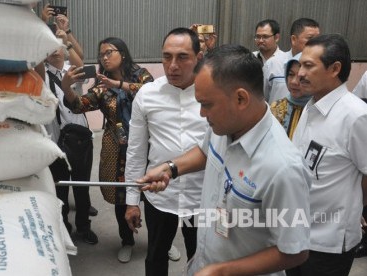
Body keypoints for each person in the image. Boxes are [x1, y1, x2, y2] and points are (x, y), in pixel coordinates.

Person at [137, 44, 311, 276]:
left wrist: (222, 271)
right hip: (204, 262)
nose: (201, 113)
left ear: (241, 98)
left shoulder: (282, 168)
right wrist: (171, 168)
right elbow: (204, 151)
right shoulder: (224, 125)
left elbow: (295, 251)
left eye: (206, 104)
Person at [60, 37, 155, 262]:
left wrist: (119, 85)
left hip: (149, 147)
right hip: (116, 150)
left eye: (108, 52)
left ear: (122, 53)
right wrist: (66, 87)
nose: (104, 57)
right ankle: (127, 241)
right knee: (122, 198)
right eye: (101, 54)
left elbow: (150, 92)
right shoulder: (101, 87)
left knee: (153, 198)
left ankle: (162, 241)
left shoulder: (140, 75)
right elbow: (79, 105)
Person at [124, 27, 208, 276]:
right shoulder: (147, 95)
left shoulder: (212, 94)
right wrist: (132, 201)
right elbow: (136, 151)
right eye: (166, 57)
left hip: (202, 197)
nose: (172, 65)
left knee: (203, 259)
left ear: (198, 57)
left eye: (182, 57)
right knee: (156, 257)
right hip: (159, 196)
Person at [291, 34, 367, 276]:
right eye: (300, 64)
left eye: (309, 66)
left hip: (328, 243)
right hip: (296, 232)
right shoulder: (310, 106)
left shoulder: (356, 116)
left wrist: (356, 208)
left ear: (335, 69)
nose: (300, 73)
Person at [39, 6, 99, 244]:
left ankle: (83, 226)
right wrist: (42, 24)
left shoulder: (71, 70)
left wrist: (66, 35)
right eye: (50, 48)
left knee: (82, 186)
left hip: (82, 138)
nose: (56, 52)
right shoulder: (40, 74)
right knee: (61, 187)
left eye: (59, 48)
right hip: (55, 141)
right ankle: (63, 226)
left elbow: (81, 59)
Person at [263, 18, 320, 103]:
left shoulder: (319, 67)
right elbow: (262, 99)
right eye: (310, 38)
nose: (316, 43)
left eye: (318, 39)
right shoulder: (273, 63)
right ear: (293, 39)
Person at [270, 53, 311, 140]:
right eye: (291, 74)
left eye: (301, 77)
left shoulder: (318, 110)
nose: (293, 82)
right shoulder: (276, 108)